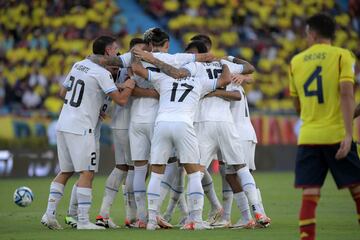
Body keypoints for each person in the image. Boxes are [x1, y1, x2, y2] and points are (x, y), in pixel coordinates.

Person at [131, 46, 232, 230]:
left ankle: (152, 220)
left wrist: (138, 55)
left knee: (156, 173)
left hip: (161, 124)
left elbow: (137, 69)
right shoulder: (200, 82)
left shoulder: (163, 78)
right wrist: (224, 64)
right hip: (184, 124)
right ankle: (196, 219)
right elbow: (225, 79)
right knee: (194, 173)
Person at [41, 35, 135, 230]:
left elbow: (62, 93)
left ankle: (49, 214)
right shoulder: (102, 73)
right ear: (108, 51)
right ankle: (83, 221)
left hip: (63, 123)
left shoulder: (79, 64)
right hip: (82, 127)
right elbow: (122, 100)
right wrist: (129, 85)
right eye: (115, 49)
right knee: (88, 172)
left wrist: (90, 101)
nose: (117, 52)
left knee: (66, 171)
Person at [289, 13, 360, 240]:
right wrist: (349, 134)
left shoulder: (296, 61)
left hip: (309, 136)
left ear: (313, 33)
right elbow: (347, 94)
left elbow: (298, 106)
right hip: (337, 134)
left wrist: (313, 119)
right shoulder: (342, 55)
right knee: (357, 191)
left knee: (310, 194)